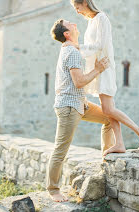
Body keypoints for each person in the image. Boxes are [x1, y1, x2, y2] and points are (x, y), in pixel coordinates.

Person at [68, 0, 139, 155]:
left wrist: (78, 47)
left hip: (104, 68)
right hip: (97, 68)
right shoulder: (91, 21)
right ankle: (119, 144)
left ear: (85, 2)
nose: (77, 11)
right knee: (109, 108)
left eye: (77, 7)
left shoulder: (101, 18)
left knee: (108, 109)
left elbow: (100, 45)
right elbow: (91, 48)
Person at [47, 19, 116, 202]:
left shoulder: (73, 49)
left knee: (109, 118)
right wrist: (99, 69)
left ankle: (106, 161)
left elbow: (93, 46)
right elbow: (79, 81)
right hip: (69, 107)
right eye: (69, 23)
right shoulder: (71, 52)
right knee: (61, 149)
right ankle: (53, 189)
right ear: (67, 34)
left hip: (80, 104)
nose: (74, 23)